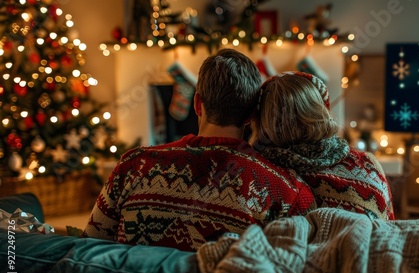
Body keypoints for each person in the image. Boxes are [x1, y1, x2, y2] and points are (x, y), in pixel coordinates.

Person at [82, 49, 316, 251]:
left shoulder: (134, 164)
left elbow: (88, 247)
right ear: (250, 116)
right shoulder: (286, 191)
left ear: (196, 104)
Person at [250, 71, 395, 220]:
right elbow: (390, 229)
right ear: (321, 110)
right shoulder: (368, 165)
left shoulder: (258, 178)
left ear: (262, 121)